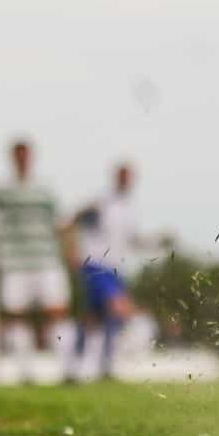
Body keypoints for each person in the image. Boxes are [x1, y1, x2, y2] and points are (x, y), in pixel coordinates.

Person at [0, 138, 78, 384]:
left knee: (58, 312)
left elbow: (61, 223)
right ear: (12, 158)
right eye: (18, 155)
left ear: (31, 157)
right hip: (15, 263)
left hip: (47, 260)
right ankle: (24, 372)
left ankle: (68, 370)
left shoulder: (45, 190)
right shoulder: (1, 192)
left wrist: (71, 250)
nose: (22, 159)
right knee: (17, 316)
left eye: (26, 155)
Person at [71, 161, 151, 381]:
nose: (125, 180)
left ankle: (88, 364)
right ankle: (101, 363)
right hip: (96, 263)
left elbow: (133, 240)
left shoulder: (130, 208)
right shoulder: (103, 202)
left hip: (115, 267)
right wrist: (72, 249)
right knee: (120, 308)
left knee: (95, 318)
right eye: (122, 176)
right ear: (116, 177)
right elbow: (75, 219)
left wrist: (155, 242)